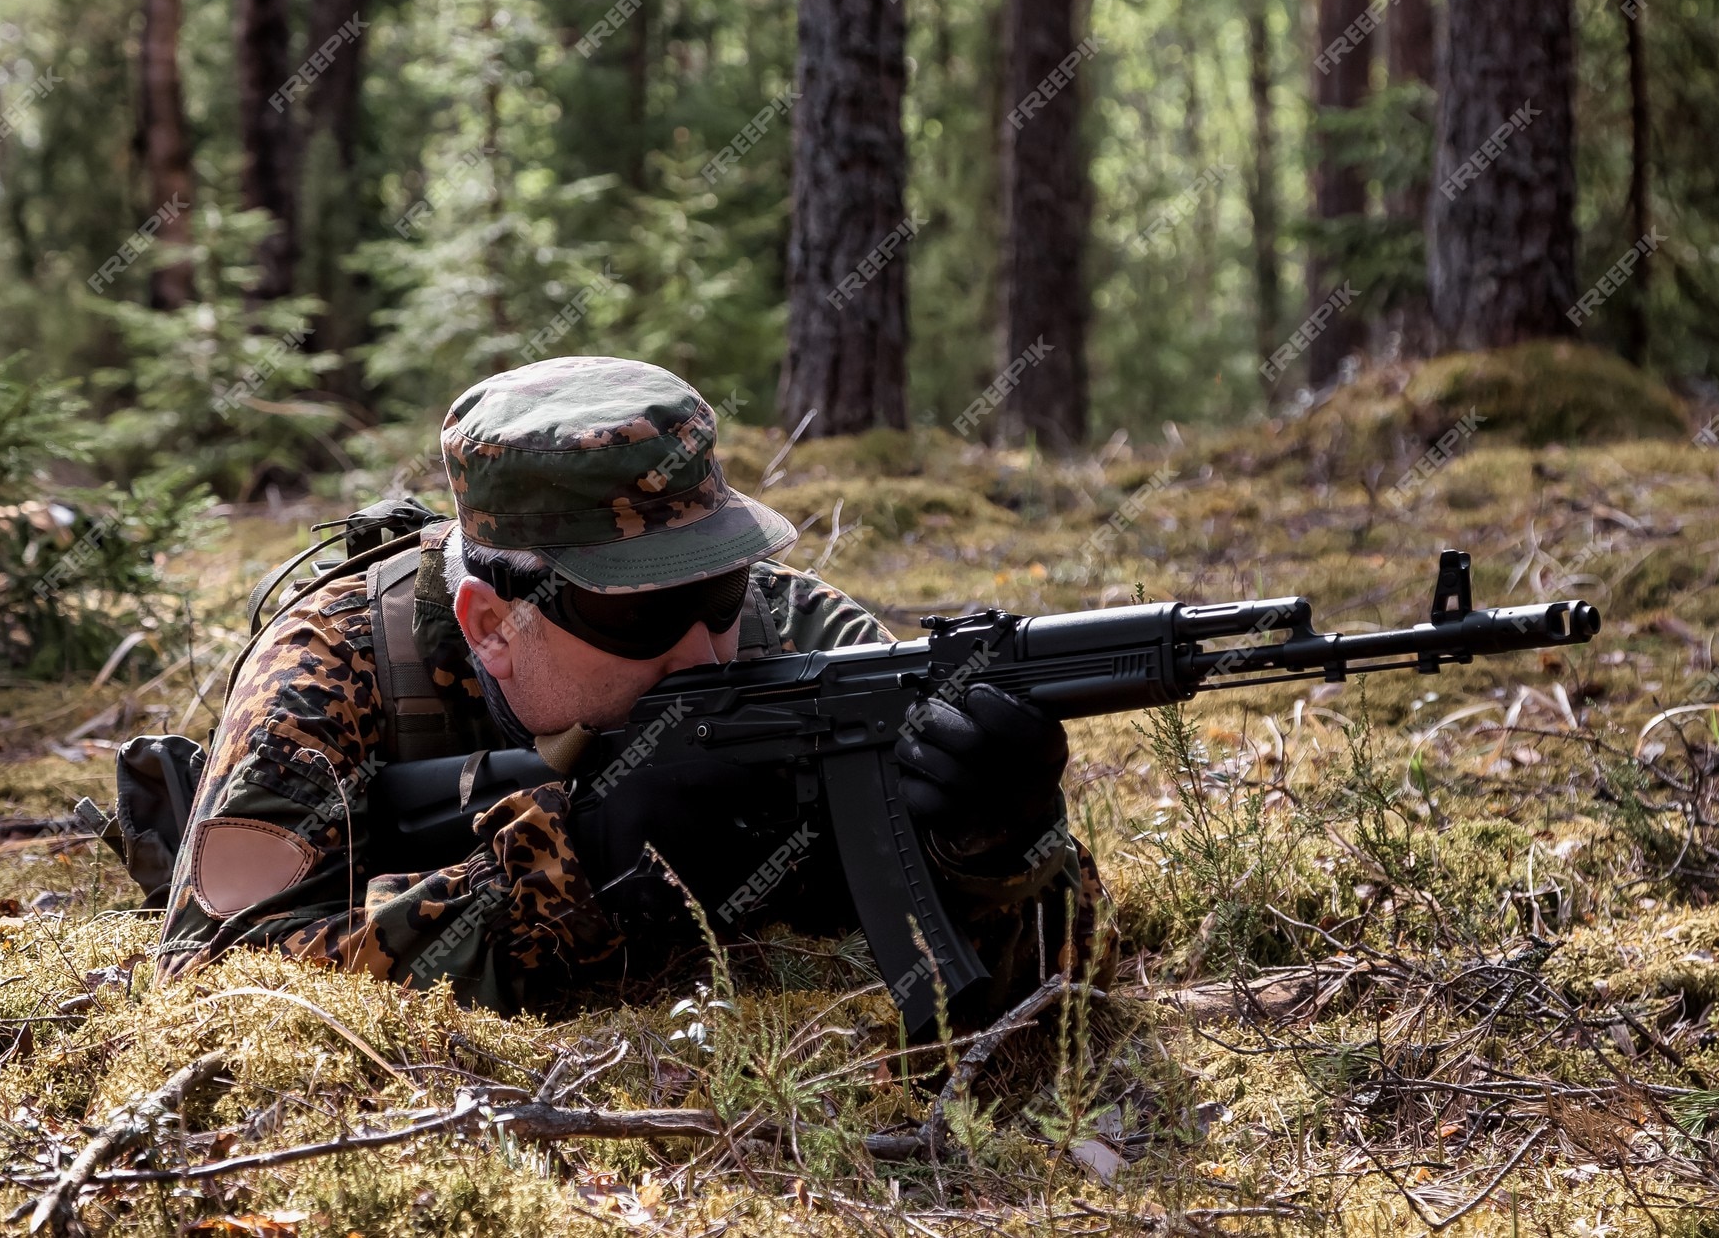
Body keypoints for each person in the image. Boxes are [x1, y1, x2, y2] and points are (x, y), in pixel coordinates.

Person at [156, 357, 1110, 1026]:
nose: (703, 649)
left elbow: (1071, 977)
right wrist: (572, 877)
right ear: (493, 622)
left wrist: (995, 843)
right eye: (639, 614)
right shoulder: (335, 667)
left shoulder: (804, 641)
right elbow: (208, 985)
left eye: (720, 585)